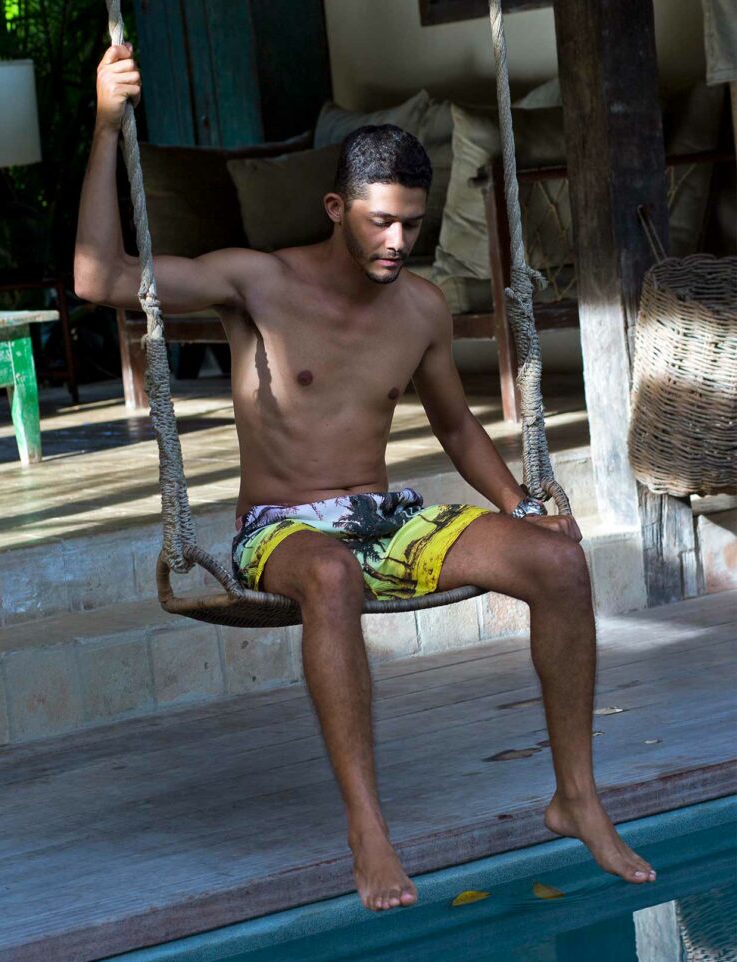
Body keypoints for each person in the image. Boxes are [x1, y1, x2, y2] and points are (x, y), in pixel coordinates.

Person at [74, 42, 657, 913]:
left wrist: (526, 506)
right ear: (336, 207)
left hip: (386, 520)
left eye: (412, 225)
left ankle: (576, 797)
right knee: (333, 574)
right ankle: (368, 828)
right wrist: (107, 124)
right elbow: (98, 278)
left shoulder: (418, 308)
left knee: (560, 566)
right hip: (280, 531)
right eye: (381, 222)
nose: (397, 242)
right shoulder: (256, 282)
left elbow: (457, 428)